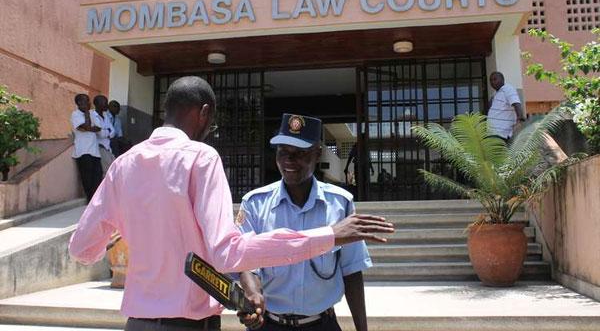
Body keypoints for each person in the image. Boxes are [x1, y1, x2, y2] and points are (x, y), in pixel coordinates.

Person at [68, 76, 394, 331]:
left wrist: (124, 233)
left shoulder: (123, 165)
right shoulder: (201, 158)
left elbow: (82, 250)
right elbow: (228, 252)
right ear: (204, 113)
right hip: (191, 326)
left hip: (137, 324)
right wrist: (329, 236)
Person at [236, 114, 372, 331]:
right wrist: (253, 293)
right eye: (283, 152)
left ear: (317, 153)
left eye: (299, 154)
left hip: (322, 324)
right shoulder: (255, 204)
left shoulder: (340, 204)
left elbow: (352, 271)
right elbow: (245, 262)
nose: (289, 161)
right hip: (269, 324)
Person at [70, 94, 103, 202]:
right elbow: (86, 126)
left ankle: (95, 198)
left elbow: (98, 128)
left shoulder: (93, 113)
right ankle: (90, 199)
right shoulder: (75, 114)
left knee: (98, 174)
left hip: (94, 150)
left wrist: (89, 126)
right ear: (79, 103)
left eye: (88, 101)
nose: (89, 103)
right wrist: (87, 114)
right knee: (87, 176)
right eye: (85, 101)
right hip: (83, 151)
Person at [487, 71, 526, 142]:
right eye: (491, 80)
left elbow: (516, 103)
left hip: (501, 133)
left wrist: (520, 120)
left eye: (495, 79)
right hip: (492, 132)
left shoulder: (508, 89)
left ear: (502, 79)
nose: (492, 82)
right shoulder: (496, 93)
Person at [91, 94, 116, 174]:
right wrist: (108, 132)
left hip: (108, 148)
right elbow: (100, 134)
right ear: (98, 104)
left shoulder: (105, 115)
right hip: (100, 148)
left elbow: (113, 132)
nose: (107, 105)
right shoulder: (93, 116)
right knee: (107, 173)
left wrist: (107, 132)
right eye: (105, 103)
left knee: (113, 169)